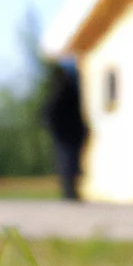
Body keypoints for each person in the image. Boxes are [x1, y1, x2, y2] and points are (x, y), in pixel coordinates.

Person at [41, 62, 89, 201]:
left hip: (69, 131)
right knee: (68, 161)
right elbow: (52, 110)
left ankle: (70, 191)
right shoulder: (66, 89)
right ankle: (69, 192)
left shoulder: (65, 88)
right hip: (66, 132)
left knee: (69, 161)